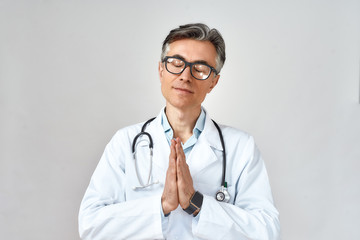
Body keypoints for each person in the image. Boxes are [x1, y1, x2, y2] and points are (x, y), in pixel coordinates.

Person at [78, 23, 280, 240]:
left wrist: (196, 202)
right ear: (161, 70)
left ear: (213, 82)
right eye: (176, 63)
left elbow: (266, 232)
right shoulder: (125, 142)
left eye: (200, 69)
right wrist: (162, 205)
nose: (185, 76)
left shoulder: (241, 147)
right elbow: (91, 225)